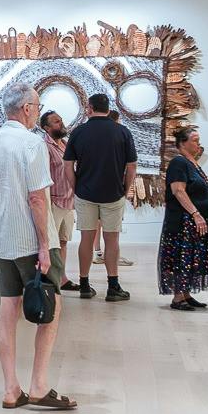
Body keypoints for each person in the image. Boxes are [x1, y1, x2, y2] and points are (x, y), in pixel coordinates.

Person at [0, 86, 75, 412]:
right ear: (28, 109)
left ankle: (10, 389)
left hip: (2, 241)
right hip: (31, 242)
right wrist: (45, 247)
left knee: (8, 311)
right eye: (38, 105)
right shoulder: (32, 144)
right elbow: (36, 198)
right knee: (51, 308)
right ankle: (38, 385)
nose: (38, 109)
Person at [64, 92, 137, 300]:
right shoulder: (122, 132)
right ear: (108, 108)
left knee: (86, 238)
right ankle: (113, 286)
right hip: (113, 193)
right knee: (112, 239)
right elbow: (131, 166)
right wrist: (125, 188)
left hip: (85, 193)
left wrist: (75, 186)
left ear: (89, 108)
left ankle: (85, 285)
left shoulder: (79, 132)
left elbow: (68, 164)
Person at [160, 126, 208, 310]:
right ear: (183, 143)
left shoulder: (192, 163)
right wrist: (196, 214)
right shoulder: (178, 163)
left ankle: (186, 294)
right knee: (183, 258)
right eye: (195, 140)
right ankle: (178, 297)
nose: (199, 144)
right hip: (183, 222)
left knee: (191, 258)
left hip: (194, 222)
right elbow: (178, 191)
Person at [40, 109, 78, 291]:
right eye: (56, 121)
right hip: (53, 202)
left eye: (61, 120)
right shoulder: (44, 147)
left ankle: (61, 278)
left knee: (63, 242)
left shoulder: (66, 144)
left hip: (69, 202)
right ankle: (49, 279)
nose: (61, 123)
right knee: (50, 244)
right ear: (46, 128)